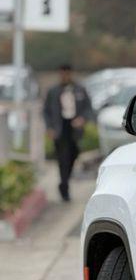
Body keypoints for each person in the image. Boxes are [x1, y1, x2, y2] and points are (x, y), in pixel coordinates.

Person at [43, 65, 94, 202]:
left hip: (74, 127)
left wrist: (82, 119)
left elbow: (88, 108)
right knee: (63, 158)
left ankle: (64, 181)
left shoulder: (79, 89)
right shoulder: (53, 91)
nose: (65, 76)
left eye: (67, 74)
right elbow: (46, 111)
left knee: (74, 154)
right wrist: (49, 128)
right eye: (62, 74)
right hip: (60, 128)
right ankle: (64, 186)